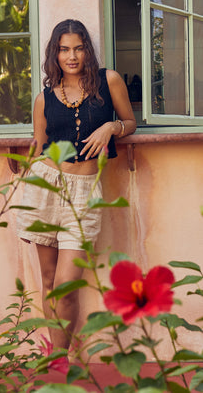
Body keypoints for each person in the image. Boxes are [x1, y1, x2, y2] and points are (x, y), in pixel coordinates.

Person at [17, 19, 136, 350]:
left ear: (88, 50)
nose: (72, 56)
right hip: (45, 187)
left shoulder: (107, 81)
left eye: (79, 48)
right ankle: (58, 361)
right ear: (55, 53)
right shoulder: (44, 98)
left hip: (84, 192)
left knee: (66, 283)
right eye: (64, 49)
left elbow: (130, 122)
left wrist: (111, 127)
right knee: (48, 280)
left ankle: (61, 355)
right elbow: (39, 145)